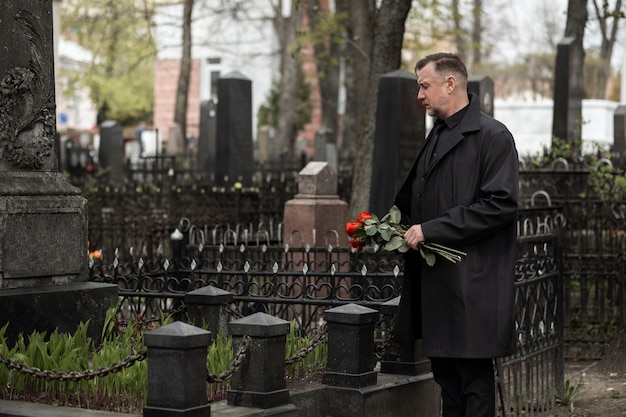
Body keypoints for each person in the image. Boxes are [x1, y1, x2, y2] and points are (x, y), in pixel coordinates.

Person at [394, 52, 519, 417]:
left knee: (473, 383)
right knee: (446, 379)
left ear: (451, 84)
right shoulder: (436, 136)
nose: (419, 95)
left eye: (424, 85)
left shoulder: (493, 136)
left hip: (473, 284)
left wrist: (431, 229)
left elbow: (500, 204)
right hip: (439, 283)